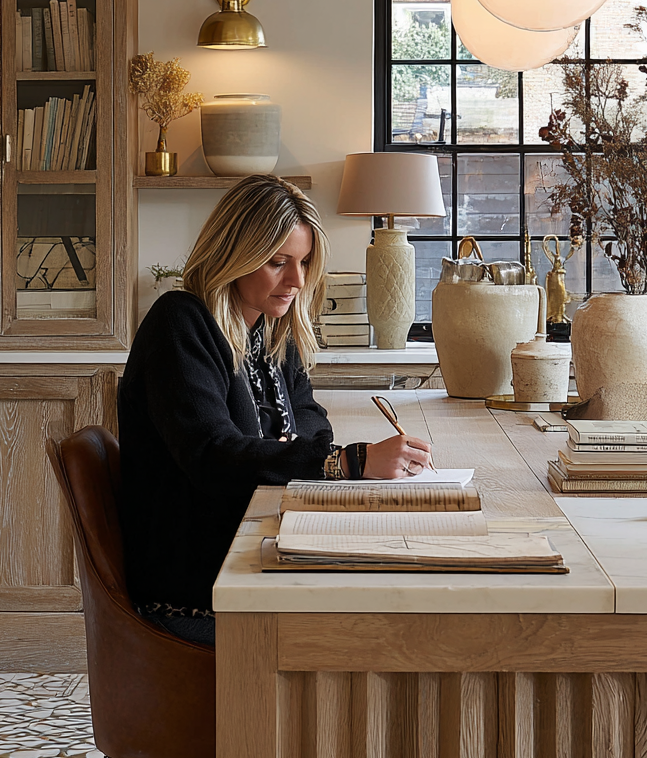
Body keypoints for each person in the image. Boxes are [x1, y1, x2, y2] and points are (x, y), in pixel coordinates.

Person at [118, 174, 433, 645]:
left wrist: (293, 455)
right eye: (277, 262)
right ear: (233, 254)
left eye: (304, 263)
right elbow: (214, 457)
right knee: (384, 625)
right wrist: (351, 460)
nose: (297, 281)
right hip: (198, 592)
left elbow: (312, 423)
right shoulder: (180, 324)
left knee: (395, 600)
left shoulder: (270, 332)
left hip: (252, 557)